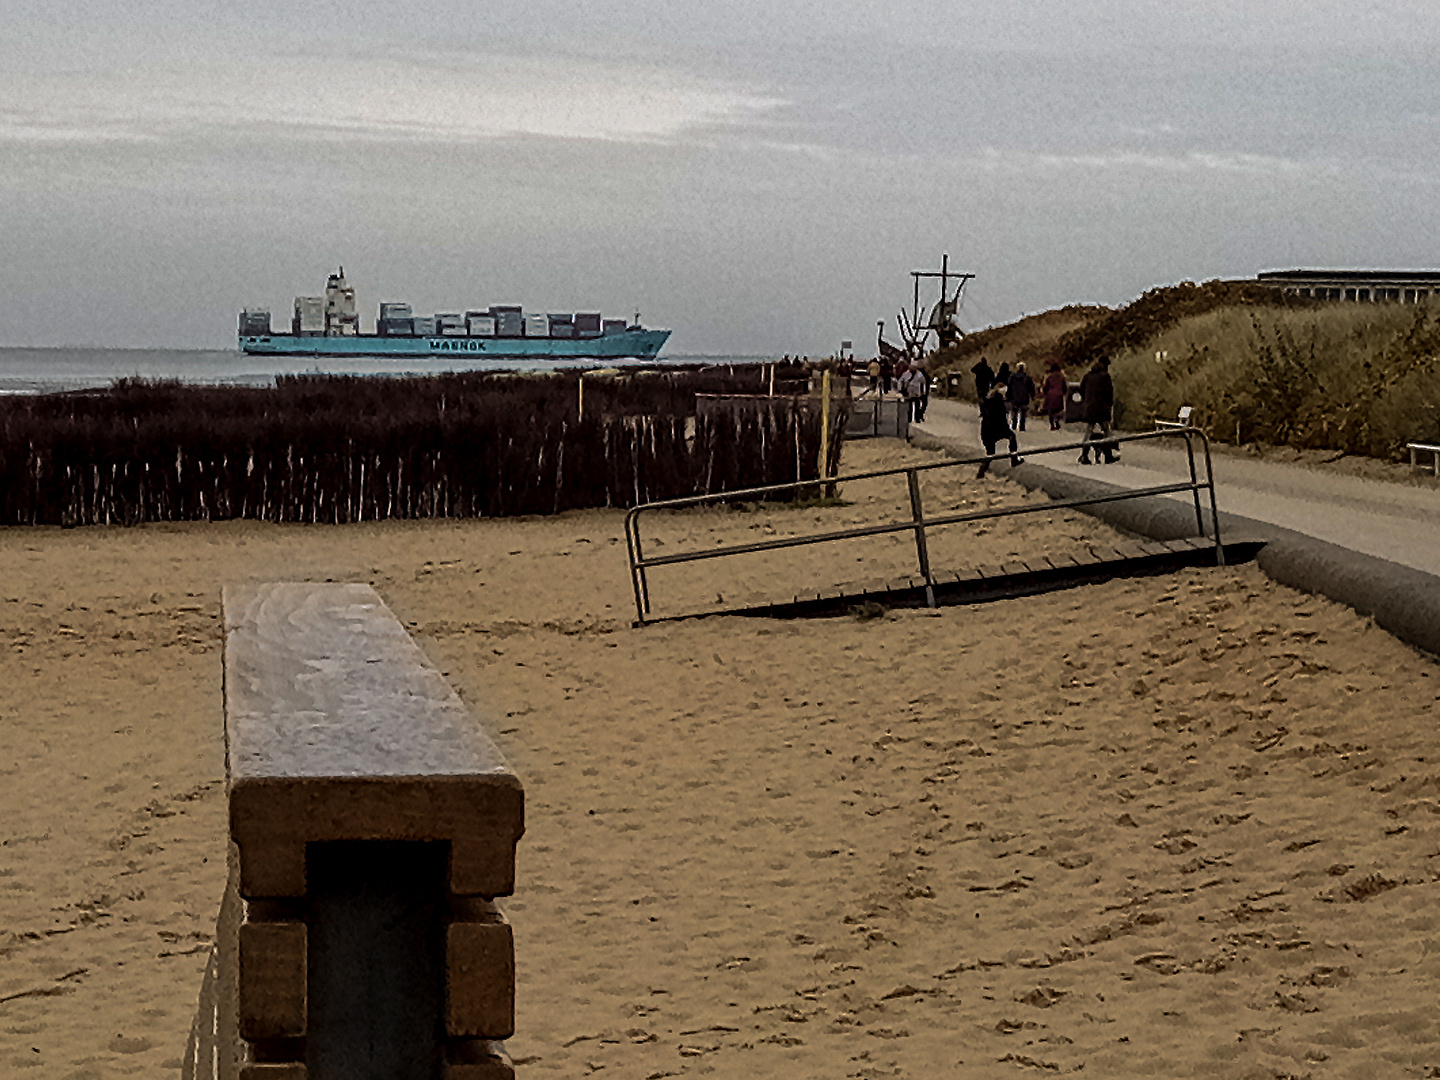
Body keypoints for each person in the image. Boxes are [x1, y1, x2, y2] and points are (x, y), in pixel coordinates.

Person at [976, 383, 1023, 478]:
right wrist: (1006, 429)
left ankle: (982, 471)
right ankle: (1014, 459)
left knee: (990, 453)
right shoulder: (999, 402)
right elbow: (1001, 419)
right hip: (996, 428)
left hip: (986, 430)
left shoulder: (988, 401)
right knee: (1011, 437)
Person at [1077, 356, 1119, 464]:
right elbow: (1109, 393)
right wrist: (1109, 405)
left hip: (1090, 407)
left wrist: (1087, 400)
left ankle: (1084, 455)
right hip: (1102, 408)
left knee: (1088, 431)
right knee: (1106, 431)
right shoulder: (1105, 376)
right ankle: (1108, 456)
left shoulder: (1087, 376)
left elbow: (1081, 390)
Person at [1006, 362, 1036, 431]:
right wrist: (1032, 396)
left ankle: (1014, 425)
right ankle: (1022, 426)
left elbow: (1009, 387)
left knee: (1014, 411)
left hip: (1014, 397)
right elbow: (1031, 388)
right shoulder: (1027, 378)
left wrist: (1008, 396)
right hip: (1024, 397)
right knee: (1023, 412)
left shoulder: (1012, 377)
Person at [1040, 362, 1068, 431]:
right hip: (1059, 395)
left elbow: (1045, 388)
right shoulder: (1062, 378)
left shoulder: (1049, 378)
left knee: (1051, 412)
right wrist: (1063, 393)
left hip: (1050, 396)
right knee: (1058, 410)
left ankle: (1052, 425)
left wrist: (1044, 393)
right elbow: (1064, 388)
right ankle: (1057, 422)